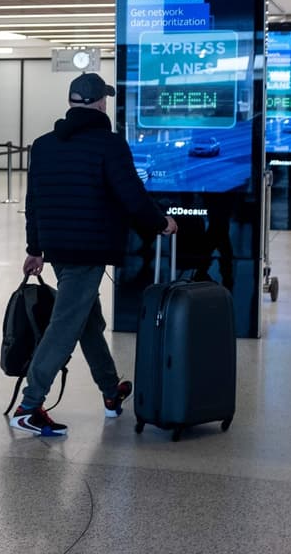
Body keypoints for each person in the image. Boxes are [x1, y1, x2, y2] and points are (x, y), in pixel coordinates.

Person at [15, 73, 178, 437]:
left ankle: (110, 390)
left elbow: (33, 201)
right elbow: (131, 195)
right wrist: (161, 223)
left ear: (71, 102)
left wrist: (35, 249)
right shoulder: (109, 144)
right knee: (65, 325)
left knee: (87, 321)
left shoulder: (43, 145)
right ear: (102, 103)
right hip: (90, 249)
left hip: (58, 248)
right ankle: (29, 405)